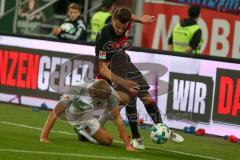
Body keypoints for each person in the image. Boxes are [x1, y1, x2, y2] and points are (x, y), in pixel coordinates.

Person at [94, 7, 184, 149]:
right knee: (128, 97)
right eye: (117, 26)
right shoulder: (103, 36)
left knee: (147, 98)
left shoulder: (126, 21)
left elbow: (130, 16)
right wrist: (123, 82)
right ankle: (136, 137)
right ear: (112, 19)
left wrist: (141, 20)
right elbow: (102, 69)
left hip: (124, 62)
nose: (119, 30)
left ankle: (162, 128)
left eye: (122, 27)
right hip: (109, 69)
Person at [40, 79, 136, 152]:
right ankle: (82, 131)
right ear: (93, 95)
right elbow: (55, 113)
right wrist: (44, 137)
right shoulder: (77, 90)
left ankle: (94, 127)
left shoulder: (109, 93)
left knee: (123, 99)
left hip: (90, 108)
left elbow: (117, 118)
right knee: (107, 141)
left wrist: (127, 145)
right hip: (77, 113)